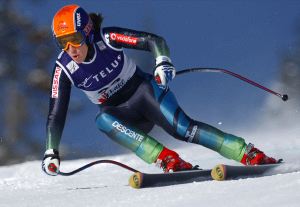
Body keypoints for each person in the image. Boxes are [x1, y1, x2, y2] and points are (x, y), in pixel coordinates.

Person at [42, 4, 278, 176]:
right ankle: (166, 159)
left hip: (145, 93)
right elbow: (56, 113)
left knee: (183, 129)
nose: (70, 48)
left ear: (87, 33)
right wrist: (51, 151)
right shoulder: (64, 68)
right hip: (122, 116)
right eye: (63, 42)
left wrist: (162, 61)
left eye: (74, 39)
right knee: (102, 119)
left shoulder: (107, 38)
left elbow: (153, 41)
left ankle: (246, 153)